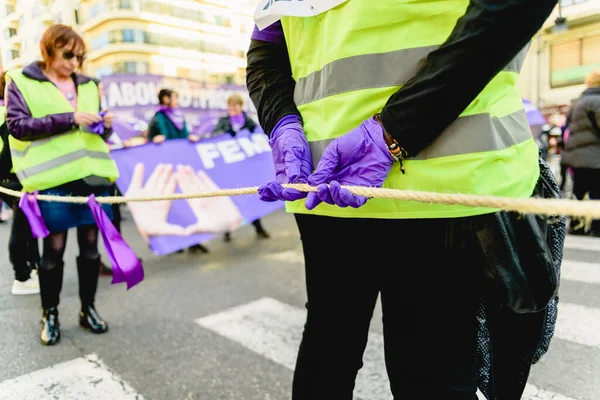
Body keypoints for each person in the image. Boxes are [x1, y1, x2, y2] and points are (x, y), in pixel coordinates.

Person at [247, 1, 557, 399]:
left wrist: (395, 129)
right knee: (362, 357)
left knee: (336, 352)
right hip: (348, 187)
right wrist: (283, 122)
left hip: (431, 191)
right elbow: (266, 52)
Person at [6, 24, 118, 346]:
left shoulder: (90, 84)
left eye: (79, 56)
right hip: (53, 180)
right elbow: (18, 127)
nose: (74, 62)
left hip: (93, 177)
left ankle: (88, 309)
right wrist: (70, 119)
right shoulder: (22, 80)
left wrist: (104, 126)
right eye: (68, 54)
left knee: (91, 248)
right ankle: (50, 314)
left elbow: (98, 134)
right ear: (48, 48)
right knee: (53, 251)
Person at [148, 89, 209, 253]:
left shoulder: (178, 116)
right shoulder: (157, 118)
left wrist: (190, 138)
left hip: (182, 164)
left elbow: (184, 135)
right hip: (169, 167)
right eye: (175, 97)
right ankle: (177, 241)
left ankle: (193, 241)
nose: (177, 100)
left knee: (189, 202)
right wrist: (154, 140)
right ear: (166, 99)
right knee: (174, 204)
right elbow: (150, 140)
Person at [0, 72, 41, 295]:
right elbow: (8, 152)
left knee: (28, 225)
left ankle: (33, 267)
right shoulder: (7, 113)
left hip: (13, 178)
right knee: (22, 227)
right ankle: (21, 277)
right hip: (13, 178)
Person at [212, 94, 269, 241]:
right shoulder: (223, 122)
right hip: (230, 171)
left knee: (249, 198)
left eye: (235, 106)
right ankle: (227, 231)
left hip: (245, 170)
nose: (232, 108)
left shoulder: (248, 122)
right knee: (230, 199)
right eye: (230, 106)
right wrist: (226, 135)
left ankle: (258, 227)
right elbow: (214, 137)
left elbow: (258, 138)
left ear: (240, 107)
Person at [561, 70, 600, 237]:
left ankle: (576, 226)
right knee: (597, 193)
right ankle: (597, 227)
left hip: (576, 157)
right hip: (596, 157)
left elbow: (567, 128)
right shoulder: (597, 101)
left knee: (579, 191)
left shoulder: (577, 102)